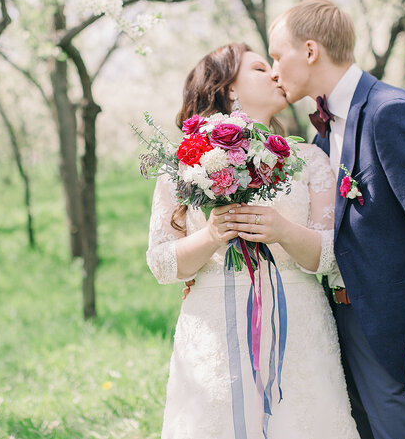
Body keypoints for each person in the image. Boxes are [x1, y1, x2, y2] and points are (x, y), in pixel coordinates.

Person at [256, 0, 405, 439]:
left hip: (396, 331)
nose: (275, 71)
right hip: (339, 324)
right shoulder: (323, 131)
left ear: (310, 50)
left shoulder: (389, 112)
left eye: (278, 57)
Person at [146, 43, 360, 438]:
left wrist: (283, 231)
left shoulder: (310, 159)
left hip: (297, 321)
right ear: (230, 89)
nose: (276, 74)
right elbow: (162, 264)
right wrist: (212, 235)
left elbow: (333, 256)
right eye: (261, 68)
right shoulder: (183, 163)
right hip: (212, 323)